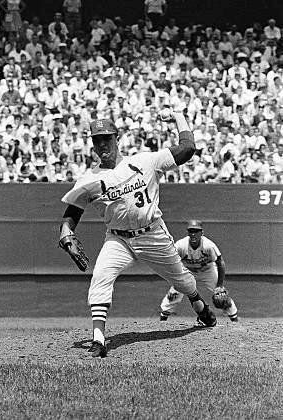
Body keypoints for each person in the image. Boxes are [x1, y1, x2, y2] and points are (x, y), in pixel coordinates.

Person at [58, 108, 217, 359]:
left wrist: (177, 117)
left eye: (107, 138)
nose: (102, 144)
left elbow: (187, 148)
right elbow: (72, 213)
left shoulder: (145, 161)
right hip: (118, 238)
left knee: (183, 280)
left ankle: (198, 303)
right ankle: (99, 339)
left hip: (152, 234)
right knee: (101, 275)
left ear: (117, 138)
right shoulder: (89, 179)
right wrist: (66, 234)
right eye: (97, 140)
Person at [160, 220, 238, 323]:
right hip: (187, 271)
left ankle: (234, 319)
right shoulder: (180, 245)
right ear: (187, 232)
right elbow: (171, 262)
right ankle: (162, 321)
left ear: (202, 233)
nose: (193, 234)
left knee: (221, 294)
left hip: (207, 271)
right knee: (173, 295)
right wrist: (175, 280)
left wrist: (219, 285)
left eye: (196, 231)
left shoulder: (208, 245)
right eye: (191, 231)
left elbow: (220, 263)